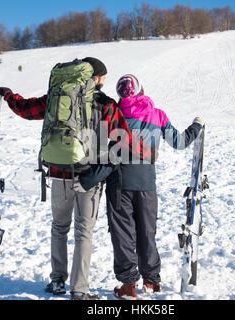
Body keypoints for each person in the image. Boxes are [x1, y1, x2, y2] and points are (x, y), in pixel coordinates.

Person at [0, 60, 151, 300]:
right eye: (103, 78)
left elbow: (26, 109)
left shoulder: (57, 100)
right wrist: (145, 151)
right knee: (83, 232)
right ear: (96, 78)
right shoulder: (106, 104)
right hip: (89, 177)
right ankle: (79, 289)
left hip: (59, 173)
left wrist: (8, 95)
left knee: (59, 227)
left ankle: (57, 280)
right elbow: (124, 141)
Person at [79, 74, 205, 299]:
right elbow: (180, 142)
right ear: (141, 90)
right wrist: (196, 126)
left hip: (119, 182)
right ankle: (152, 280)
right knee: (147, 231)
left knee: (123, 233)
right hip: (147, 183)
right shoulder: (157, 115)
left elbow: (99, 146)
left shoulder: (115, 113)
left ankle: (128, 285)